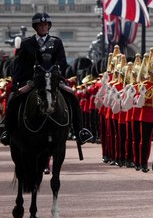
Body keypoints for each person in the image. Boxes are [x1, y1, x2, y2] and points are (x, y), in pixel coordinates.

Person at [0, 12, 93, 146]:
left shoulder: (56, 42)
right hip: (32, 81)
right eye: (40, 25)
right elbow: (20, 66)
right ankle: (8, 131)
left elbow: (62, 61)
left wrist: (54, 72)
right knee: (14, 99)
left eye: (45, 25)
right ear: (35, 27)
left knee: (72, 97)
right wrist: (17, 85)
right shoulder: (27, 44)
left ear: (48, 26)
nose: (43, 27)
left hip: (52, 79)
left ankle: (79, 130)